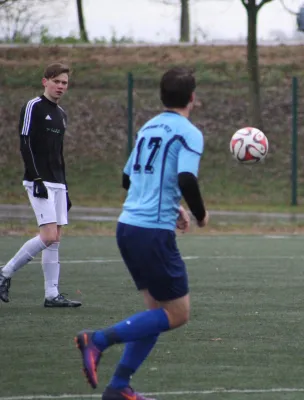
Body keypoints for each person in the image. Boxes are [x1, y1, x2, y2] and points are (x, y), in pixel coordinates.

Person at [75, 67, 209, 400]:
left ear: (162, 96)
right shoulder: (188, 132)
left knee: (156, 313)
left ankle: (120, 386)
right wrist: (200, 214)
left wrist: (173, 205)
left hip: (128, 226)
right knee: (177, 314)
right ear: (192, 97)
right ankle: (98, 340)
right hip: (152, 232)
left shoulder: (148, 127)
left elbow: (127, 178)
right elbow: (187, 179)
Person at [0, 63, 81, 307]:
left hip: (57, 182)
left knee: (55, 239)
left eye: (64, 83)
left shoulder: (61, 114)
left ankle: (51, 294)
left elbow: (59, 154)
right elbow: (24, 143)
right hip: (39, 180)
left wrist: (65, 188)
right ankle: (4, 273)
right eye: (56, 81)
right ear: (45, 81)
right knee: (47, 235)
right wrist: (35, 178)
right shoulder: (33, 106)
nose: (60, 86)